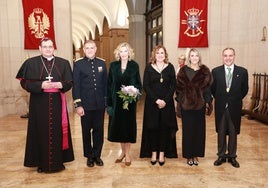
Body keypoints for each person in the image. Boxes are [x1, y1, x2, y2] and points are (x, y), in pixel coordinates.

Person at [15, 37, 74, 173]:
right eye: (45, 46)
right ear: (40, 48)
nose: (48, 49)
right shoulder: (30, 63)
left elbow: (70, 82)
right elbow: (24, 83)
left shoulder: (63, 63)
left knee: (58, 131)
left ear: (54, 48)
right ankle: (41, 162)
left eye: (50, 46)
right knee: (39, 131)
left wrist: (61, 84)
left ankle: (59, 162)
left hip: (58, 102)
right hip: (38, 103)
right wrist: (40, 85)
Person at [140, 45, 178, 166]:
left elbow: (173, 85)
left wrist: (165, 100)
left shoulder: (170, 67)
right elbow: (146, 85)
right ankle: (153, 153)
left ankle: (162, 153)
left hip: (167, 104)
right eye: (157, 53)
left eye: (162, 53)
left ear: (165, 55)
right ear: (154, 55)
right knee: (153, 128)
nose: (160, 55)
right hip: (152, 103)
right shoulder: (149, 67)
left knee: (164, 128)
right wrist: (157, 100)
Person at [211, 47, 248, 168]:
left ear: (234, 56)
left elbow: (244, 89)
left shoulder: (242, 72)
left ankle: (232, 156)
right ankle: (221, 155)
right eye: (225, 55)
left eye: (230, 55)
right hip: (221, 107)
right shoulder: (216, 71)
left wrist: (235, 99)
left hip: (235, 108)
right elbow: (213, 89)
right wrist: (222, 99)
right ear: (222, 57)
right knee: (221, 132)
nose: (228, 58)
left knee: (233, 132)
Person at [72, 40, 107, 168]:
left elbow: (105, 84)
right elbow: (76, 86)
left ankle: (97, 155)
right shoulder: (78, 64)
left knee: (99, 131)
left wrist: (106, 102)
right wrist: (78, 105)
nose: (90, 50)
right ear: (83, 49)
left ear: (96, 49)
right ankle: (89, 156)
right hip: (85, 105)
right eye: (87, 48)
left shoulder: (102, 63)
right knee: (86, 131)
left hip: (99, 105)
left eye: (92, 48)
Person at [106, 42, 142, 166]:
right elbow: (109, 85)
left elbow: (138, 84)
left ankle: (127, 154)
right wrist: (109, 104)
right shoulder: (113, 66)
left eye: (125, 51)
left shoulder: (134, 66)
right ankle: (122, 152)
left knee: (128, 128)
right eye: (121, 51)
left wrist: (134, 93)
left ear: (129, 52)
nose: (123, 54)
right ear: (118, 53)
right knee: (119, 129)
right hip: (116, 103)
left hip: (129, 103)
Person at [176, 48, 213, 166]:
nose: (194, 58)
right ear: (189, 58)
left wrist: (207, 102)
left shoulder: (205, 71)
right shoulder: (183, 70)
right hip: (186, 105)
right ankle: (188, 155)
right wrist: (181, 101)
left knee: (199, 131)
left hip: (199, 106)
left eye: (196, 55)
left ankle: (196, 154)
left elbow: (208, 90)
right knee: (187, 131)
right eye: (192, 55)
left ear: (199, 57)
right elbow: (178, 89)